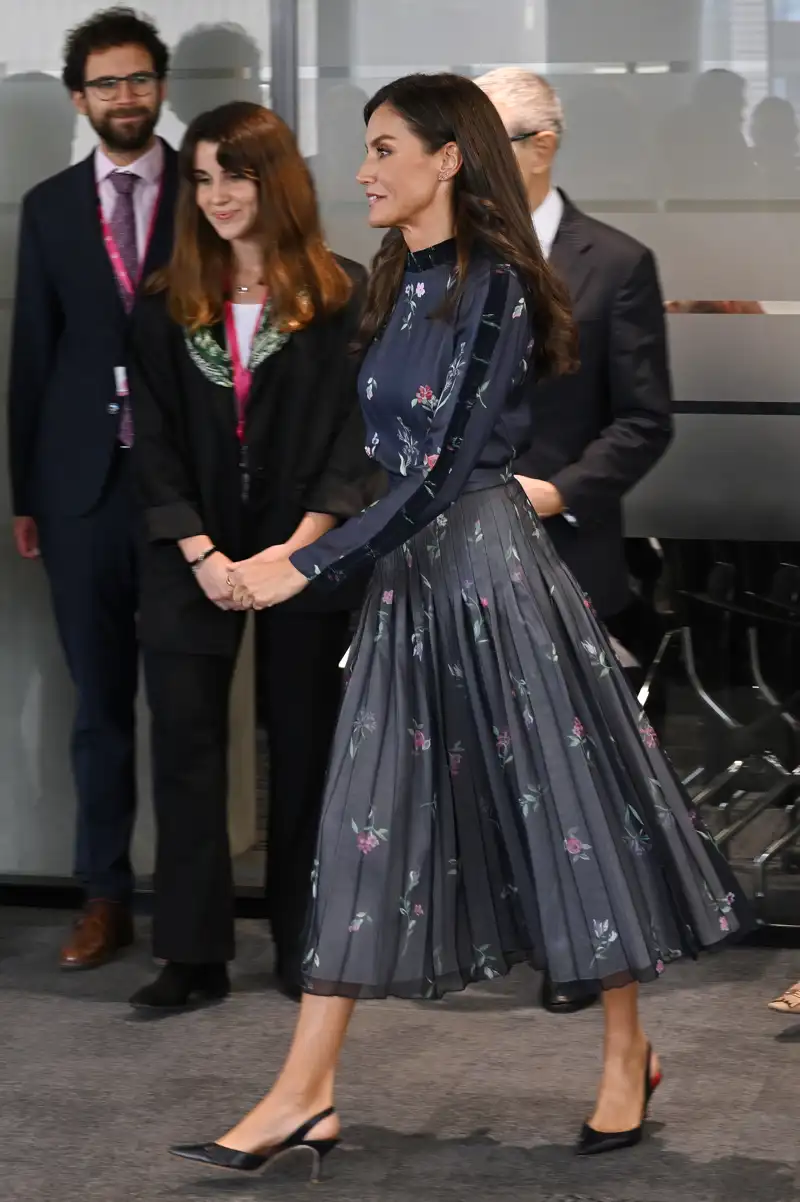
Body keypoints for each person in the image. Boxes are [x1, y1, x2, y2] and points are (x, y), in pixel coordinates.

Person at [168, 72, 749, 1173]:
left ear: (446, 158)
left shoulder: (495, 287)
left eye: (383, 148)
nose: (360, 171)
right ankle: (305, 1089)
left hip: (490, 578)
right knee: (363, 815)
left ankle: (625, 1048)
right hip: (407, 586)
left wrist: (306, 568)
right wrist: (292, 547)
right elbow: (374, 457)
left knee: (563, 813)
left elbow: (441, 471)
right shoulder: (397, 276)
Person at [127, 101, 375, 1010]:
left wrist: (299, 548)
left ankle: (303, 940)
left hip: (308, 552)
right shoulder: (166, 302)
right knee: (187, 746)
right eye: (201, 178)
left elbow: (356, 442)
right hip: (190, 556)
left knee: (307, 747)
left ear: (277, 181)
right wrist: (198, 550)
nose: (218, 195)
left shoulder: (343, 294)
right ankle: (191, 955)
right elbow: (147, 440)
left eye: (235, 174)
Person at [476, 67, 674, 1016]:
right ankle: (503, 924)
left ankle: (582, 947)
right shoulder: (446, 256)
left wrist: (555, 494)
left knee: (571, 762)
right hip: (462, 546)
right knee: (486, 750)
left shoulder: (617, 261)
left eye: (484, 140)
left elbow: (643, 421)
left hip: (564, 542)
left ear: (540, 145)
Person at [7, 7, 176, 970]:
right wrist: (26, 491)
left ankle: (192, 904)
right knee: (97, 705)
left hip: (180, 491)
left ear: (161, 87)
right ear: (80, 100)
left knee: (187, 706)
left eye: (140, 79)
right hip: (78, 491)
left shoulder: (204, 194)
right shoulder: (50, 205)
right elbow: (32, 355)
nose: (125, 97)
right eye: (107, 84)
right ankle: (103, 896)